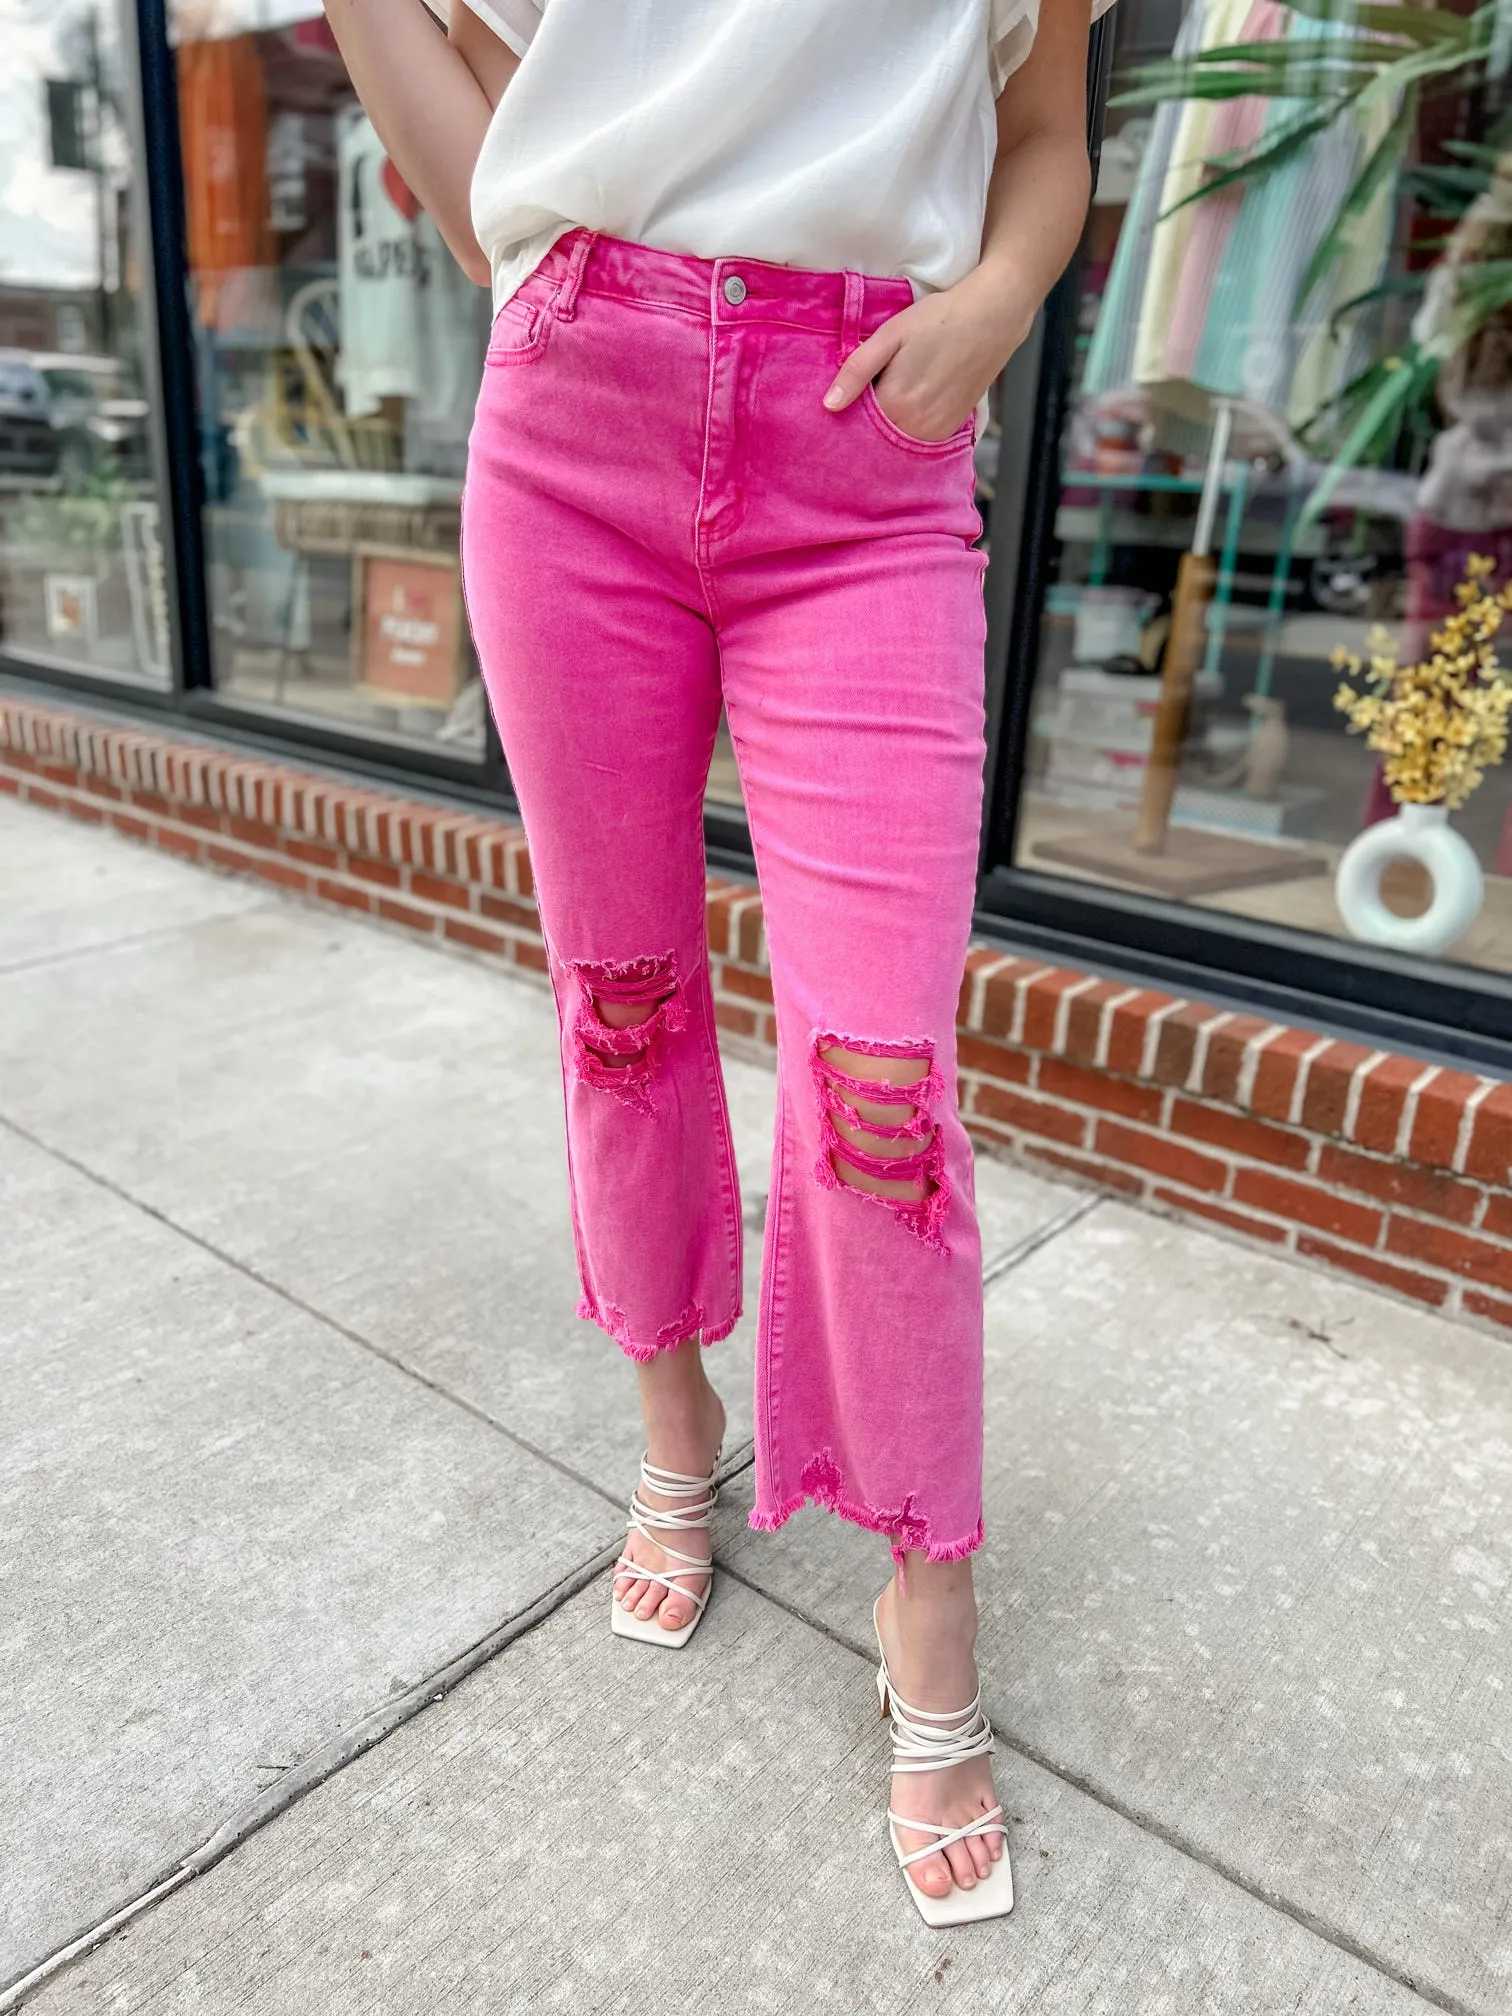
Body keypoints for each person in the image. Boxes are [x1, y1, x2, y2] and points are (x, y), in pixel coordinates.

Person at [322, 0, 1103, 1926]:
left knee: (883, 1076)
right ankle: (676, 1420)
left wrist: (996, 304)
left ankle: (928, 1581)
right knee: (624, 995)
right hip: (576, 414)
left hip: (869, 441)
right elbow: (493, 140)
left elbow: (1047, 134)